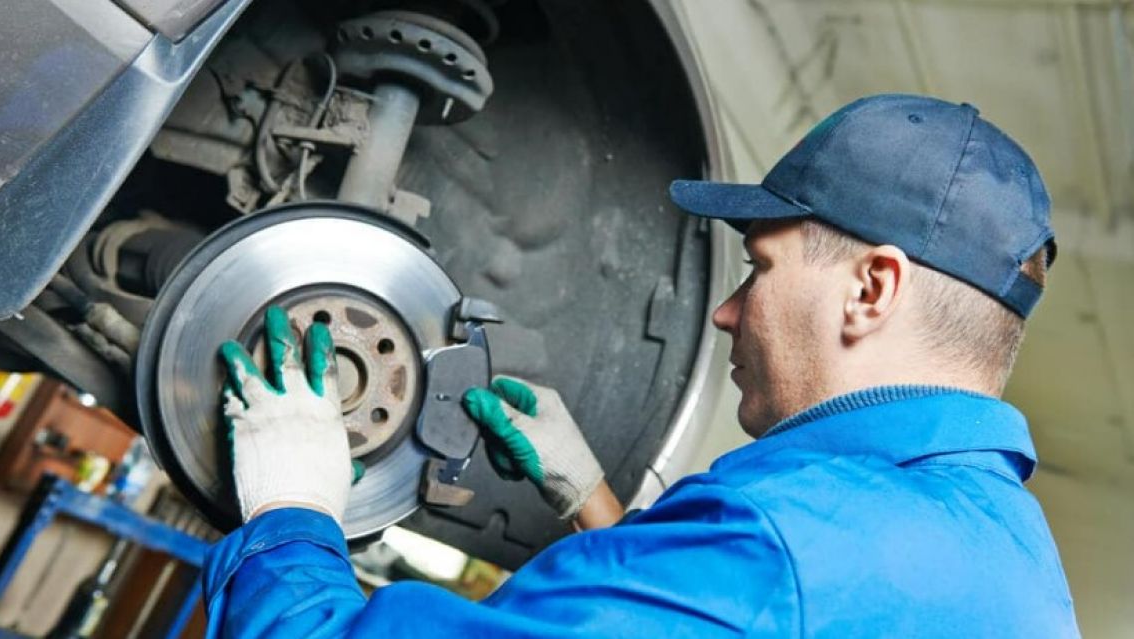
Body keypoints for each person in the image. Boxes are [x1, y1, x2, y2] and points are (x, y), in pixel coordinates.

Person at [202, 94, 1080, 638]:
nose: (730, 310)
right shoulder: (1008, 557)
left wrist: (291, 510)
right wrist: (591, 503)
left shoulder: (779, 550)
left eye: (760, 267)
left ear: (871, 289)